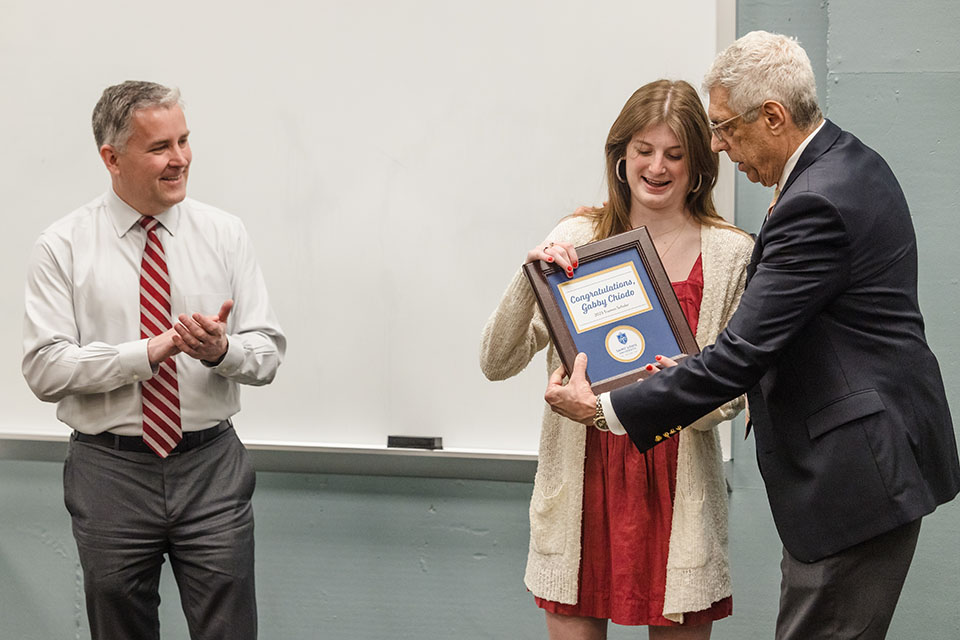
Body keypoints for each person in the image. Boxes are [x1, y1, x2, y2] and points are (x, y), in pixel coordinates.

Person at [544, 32, 960, 640]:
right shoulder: (848, 163)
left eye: (724, 128)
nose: (717, 145)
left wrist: (605, 407)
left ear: (772, 116)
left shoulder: (815, 200)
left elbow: (738, 357)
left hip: (856, 480)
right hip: (873, 463)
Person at [481, 79, 754, 639]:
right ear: (621, 156)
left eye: (675, 154)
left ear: (699, 164)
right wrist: (530, 276)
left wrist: (678, 395)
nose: (658, 167)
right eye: (644, 151)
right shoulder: (576, 238)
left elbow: (736, 391)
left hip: (679, 495)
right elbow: (497, 360)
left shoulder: (732, 254)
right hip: (584, 485)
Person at [22, 81, 286, 640]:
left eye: (185, 141)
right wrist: (148, 351)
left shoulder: (225, 234)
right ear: (111, 158)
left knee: (230, 629)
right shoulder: (62, 245)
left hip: (210, 465)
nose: (181, 159)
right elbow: (45, 369)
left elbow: (265, 355)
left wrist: (222, 351)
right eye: (161, 147)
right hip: (109, 470)